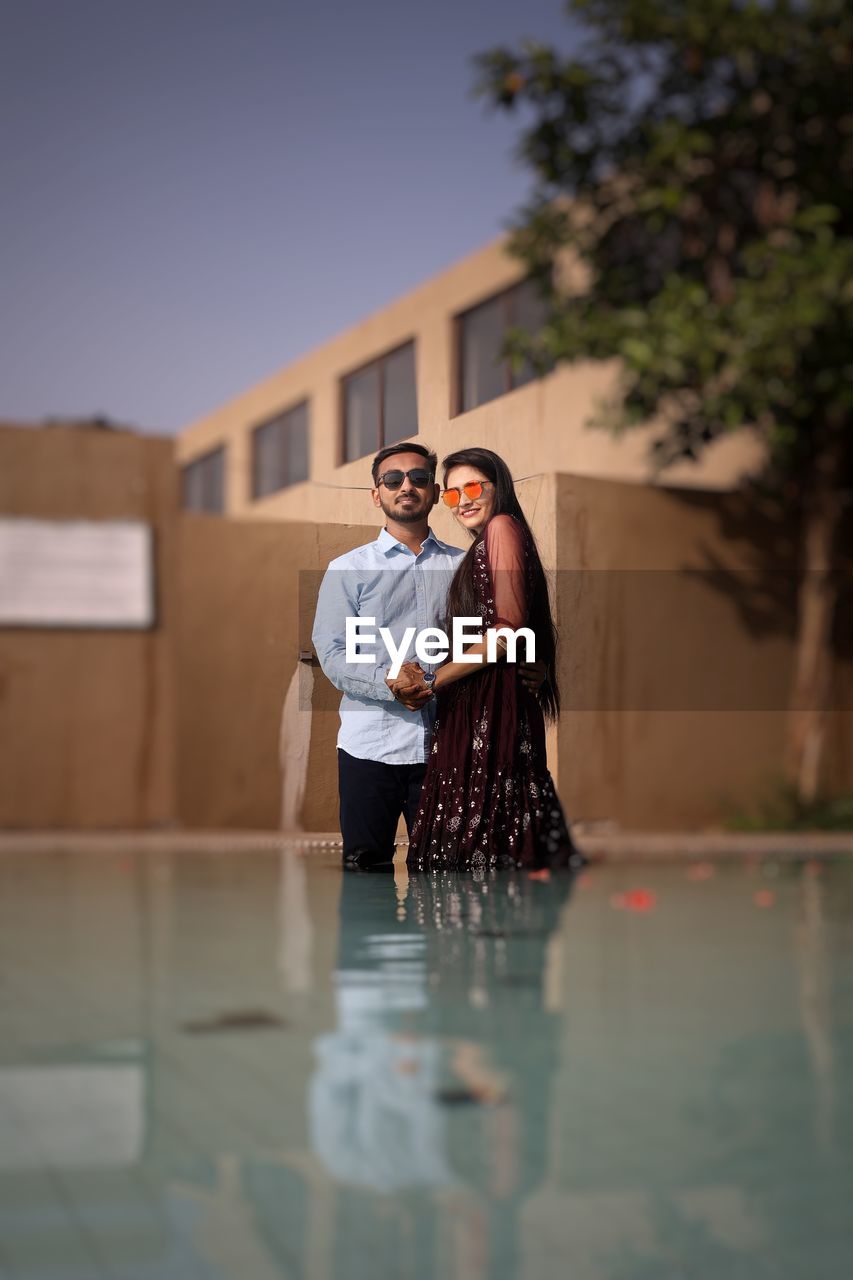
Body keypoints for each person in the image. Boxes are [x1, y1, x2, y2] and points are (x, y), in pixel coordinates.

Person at [311, 441, 545, 871]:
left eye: (419, 478)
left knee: (445, 878)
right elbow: (333, 651)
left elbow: (504, 630)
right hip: (369, 750)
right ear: (376, 493)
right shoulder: (348, 569)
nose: (407, 486)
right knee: (366, 875)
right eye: (393, 479)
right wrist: (388, 680)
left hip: (449, 749)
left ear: (435, 493)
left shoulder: (465, 565)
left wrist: (531, 668)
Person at [406, 447, 578, 873]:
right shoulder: (487, 542)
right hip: (478, 701)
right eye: (451, 494)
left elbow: (506, 631)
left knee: (481, 845)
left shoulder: (501, 526)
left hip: (489, 704)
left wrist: (433, 678)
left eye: (472, 487)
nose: (461, 500)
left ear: (497, 487)